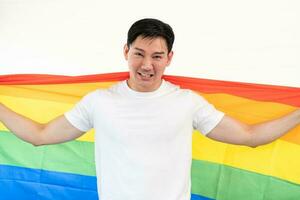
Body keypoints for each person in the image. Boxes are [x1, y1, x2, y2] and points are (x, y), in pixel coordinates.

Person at [0, 18, 299, 200]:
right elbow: (38, 135)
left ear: (169, 58)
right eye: (139, 54)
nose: (147, 65)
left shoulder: (187, 102)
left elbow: (250, 136)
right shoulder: (99, 102)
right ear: (125, 52)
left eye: (157, 56)